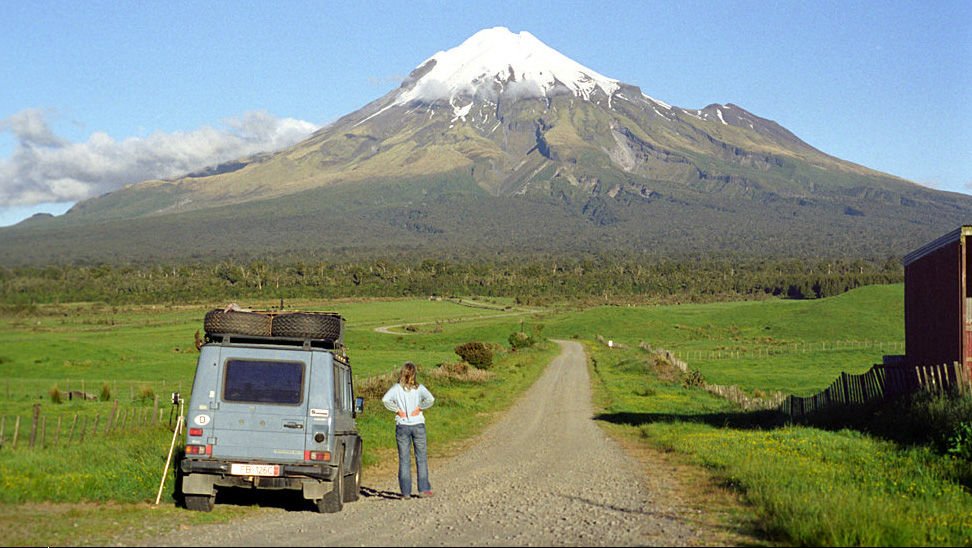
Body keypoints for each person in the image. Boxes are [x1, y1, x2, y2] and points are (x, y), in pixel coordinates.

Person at [381, 361, 435, 499]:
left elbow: (385, 400)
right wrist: (420, 407)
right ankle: (423, 489)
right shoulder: (419, 388)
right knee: (421, 458)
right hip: (418, 424)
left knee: (404, 459)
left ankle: (405, 492)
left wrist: (398, 410)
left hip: (402, 425)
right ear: (414, 374)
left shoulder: (396, 388)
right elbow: (431, 399)